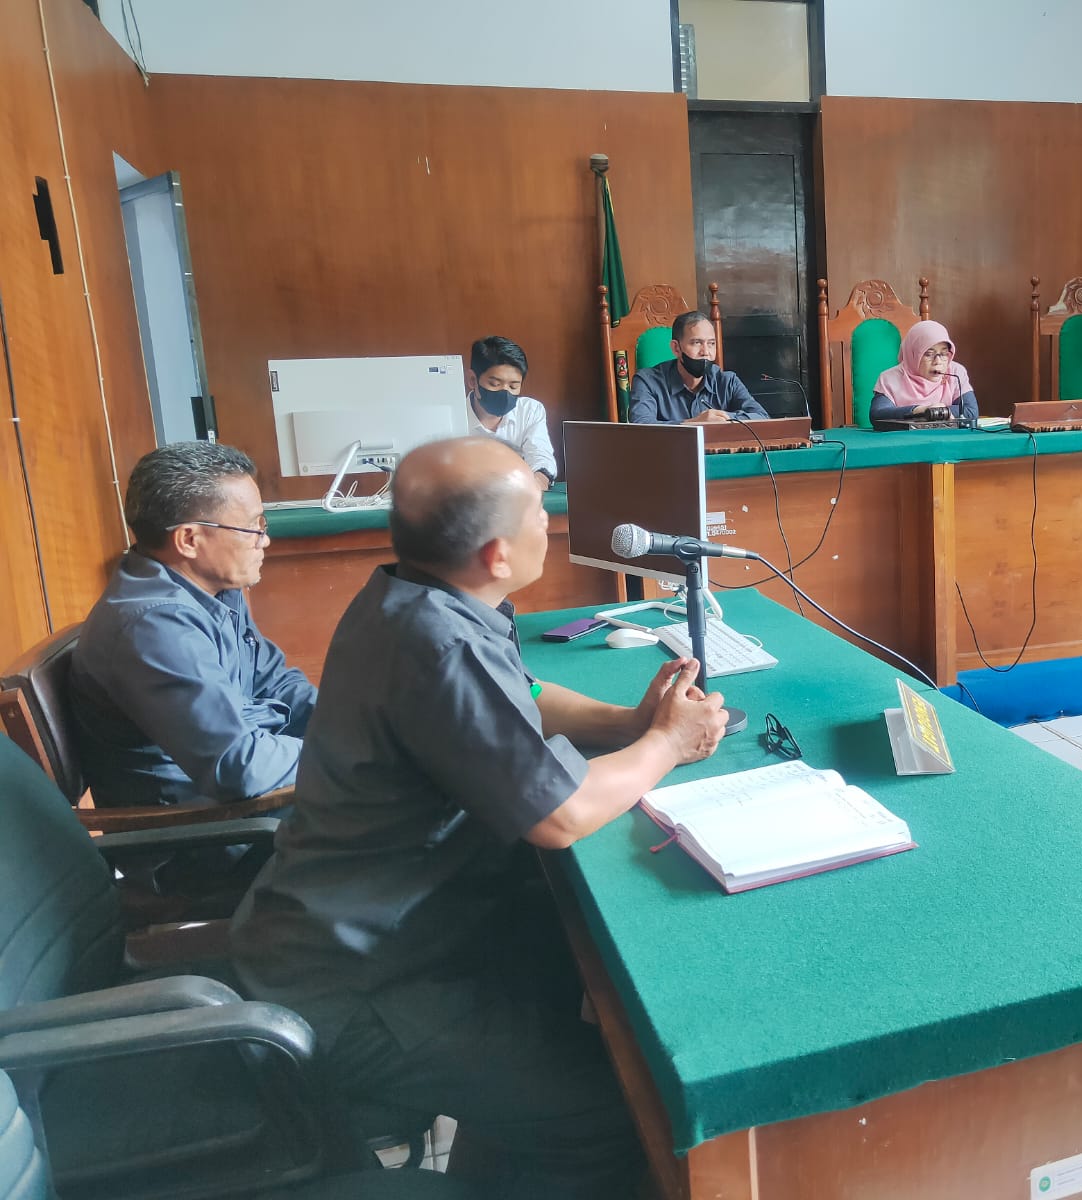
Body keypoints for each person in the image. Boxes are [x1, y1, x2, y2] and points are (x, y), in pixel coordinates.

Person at [230, 436, 729, 1199]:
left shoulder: (412, 596)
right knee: (607, 1110)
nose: (549, 523)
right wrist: (666, 744)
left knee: (588, 996)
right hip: (366, 985)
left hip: (372, 933)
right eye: (538, 512)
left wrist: (630, 724)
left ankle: (501, 1152)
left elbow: (521, 696)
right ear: (497, 554)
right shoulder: (437, 640)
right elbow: (559, 815)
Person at [71, 441, 315, 812]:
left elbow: (273, 682)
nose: (264, 540)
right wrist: (343, 754)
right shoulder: (154, 626)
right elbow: (238, 765)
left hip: (242, 799)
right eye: (252, 527)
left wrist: (354, 729)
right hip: (198, 827)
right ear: (189, 539)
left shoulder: (213, 588)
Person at [626, 310, 769, 424]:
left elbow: (762, 417)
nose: (706, 352)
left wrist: (724, 418)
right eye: (696, 343)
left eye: (711, 343)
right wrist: (695, 423)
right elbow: (642, 426)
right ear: (676, 348)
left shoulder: (727, 381)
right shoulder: (647, 381)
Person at [466, 334, 557, 489]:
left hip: (518, 493)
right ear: (473, 380)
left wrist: (538, 480)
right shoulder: (451, 415)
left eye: (513, 386)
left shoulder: (529, 411)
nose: (505, 392)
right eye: (495, 384)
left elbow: (540, 456)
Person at [869, 320, 978, 430]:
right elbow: (878, 415)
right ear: (912, 354)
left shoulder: (955, 372)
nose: (938, 361)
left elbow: (970, 411)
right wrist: (919, 410)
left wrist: (933, 412)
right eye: (929, 354)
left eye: (944, 354)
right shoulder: (889, 378)